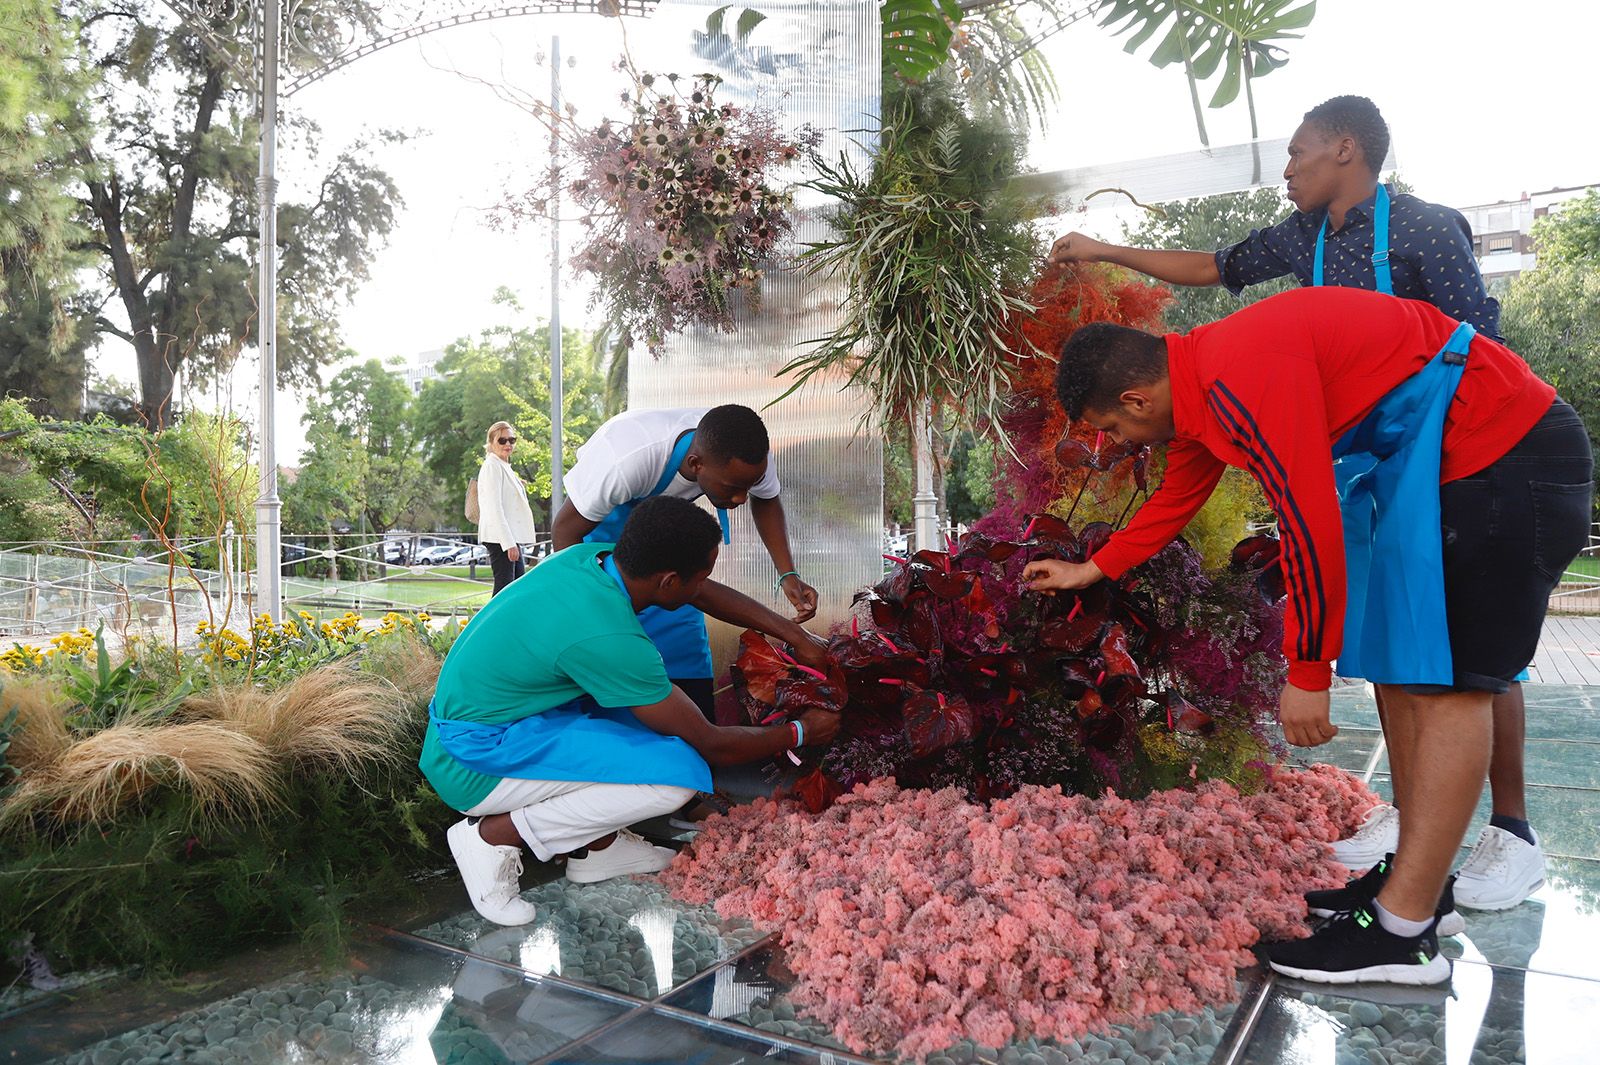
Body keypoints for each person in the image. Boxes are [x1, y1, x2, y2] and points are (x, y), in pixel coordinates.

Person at [1048, 95, 1543, 911]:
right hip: (1374, 461)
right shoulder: (1297, 245)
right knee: (1398, 648)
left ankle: (1510, 831)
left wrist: (1306, 670)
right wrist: (1090, 568)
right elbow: (1213, 269)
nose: (1285, 169)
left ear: (1345, 149)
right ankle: (1419, 823)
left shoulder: (1422, 228)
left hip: (1465, 442)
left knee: (1470, 661)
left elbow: (1474, 341)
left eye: (1296, 153)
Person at [1022, 287, 1591, 985]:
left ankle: (1402, 935)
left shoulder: (1238, 377)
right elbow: (1179, 493)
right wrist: (1093, 566)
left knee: (1448, 687)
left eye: (1108, 428)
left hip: (1505, 456)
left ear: (1137, 399)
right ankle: (1411, 890)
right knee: (1409, 671)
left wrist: (1309, 667)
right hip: (1463, 461)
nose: (1114, 445)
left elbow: (1305, 514)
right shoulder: (1201, 385)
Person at [423, 495, 840, 926]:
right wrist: (802, 732)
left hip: (503, 722)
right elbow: (711, 743)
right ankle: (492, 838)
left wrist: (793, 634)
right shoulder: (609, 638)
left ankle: (597, 850)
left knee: (649, 732)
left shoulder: (594, 559)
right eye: (699, 579)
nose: (704, 589)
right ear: (669, 581)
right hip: (469, 761)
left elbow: (700, 593)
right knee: (676, 774)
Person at [552, 404, 819, 722]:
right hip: (600, 553)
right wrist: (594, 614)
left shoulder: (745, 452)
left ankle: (692, 734)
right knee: (615, 680)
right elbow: (566, 531)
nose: (740, 499)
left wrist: (787, 573)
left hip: (662, 537)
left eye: (747, 487)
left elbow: (765, 499)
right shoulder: (625, 460)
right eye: (733, 489)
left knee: (686, 661)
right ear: (695, 464)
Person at [476, 420, 538, 595]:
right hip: (500, 538)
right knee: (505, 591)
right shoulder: (492, 466)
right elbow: (494, 507)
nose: (508, 444)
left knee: (516, 588)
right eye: (502, 440)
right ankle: (496, 623)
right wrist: (508, 544)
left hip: (509, 537)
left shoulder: (503, 465)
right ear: (491, 443)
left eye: (512, 440)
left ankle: (514, 622)